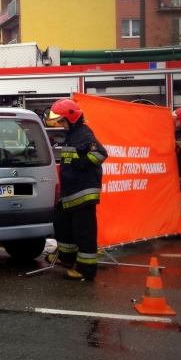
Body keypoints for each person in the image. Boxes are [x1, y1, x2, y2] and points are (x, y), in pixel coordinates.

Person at [46, 99, 108, 281]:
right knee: (62, 224)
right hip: (71, 192)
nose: (60, 124)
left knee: (84, 232)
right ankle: (66, 258)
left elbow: (100, 153)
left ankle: (86, 270)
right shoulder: (73, 134)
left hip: (83, 193)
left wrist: (80, 164)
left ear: (72, 118)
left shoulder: (83, 133)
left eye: (62, 120)